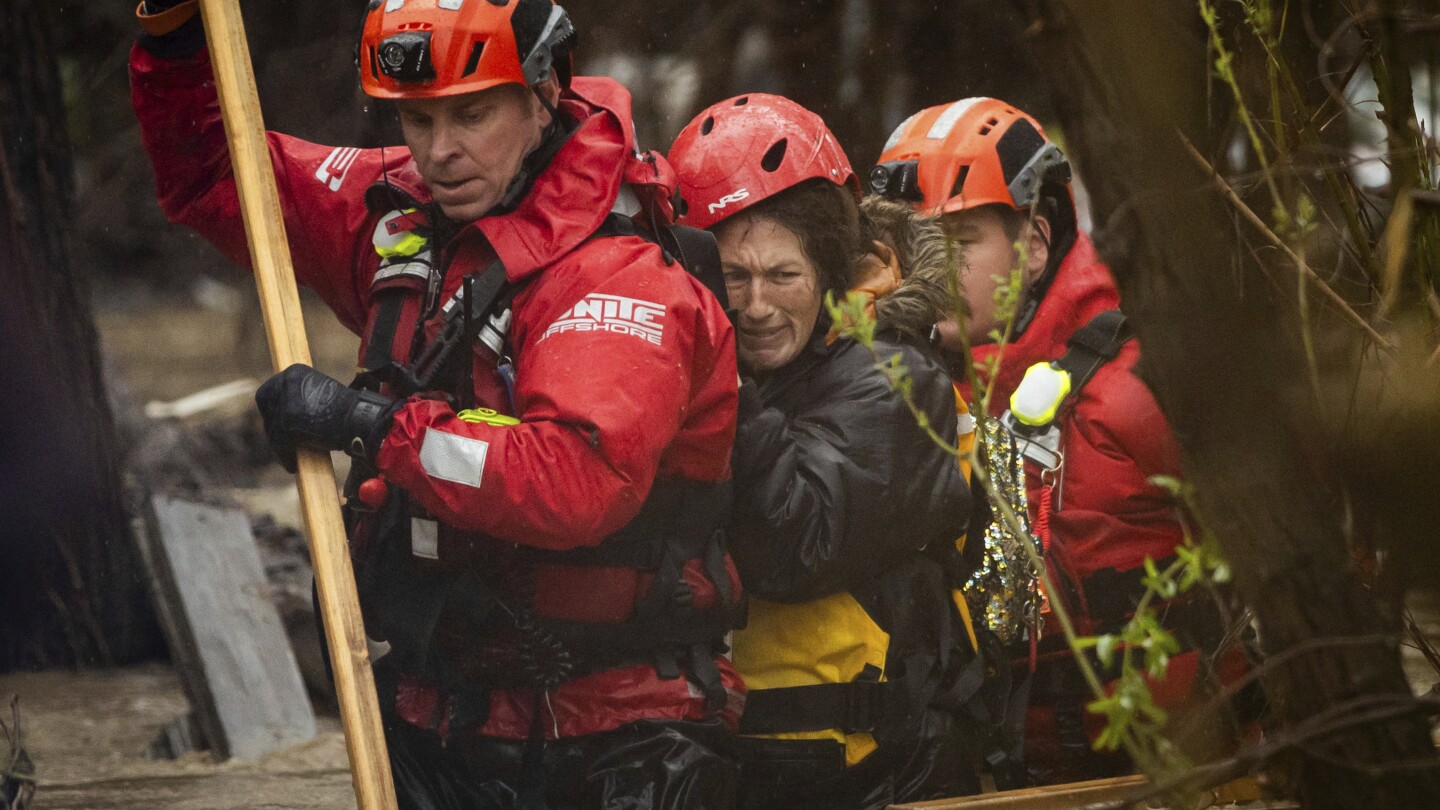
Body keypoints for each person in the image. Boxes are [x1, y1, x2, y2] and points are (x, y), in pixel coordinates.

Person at [131, 1, 745, 806]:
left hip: (621, 741)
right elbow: (221, 170)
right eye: (417, 119)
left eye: (473, 113)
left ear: (542, 94)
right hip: (436, 720)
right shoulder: (402, 214)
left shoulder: (621, 274)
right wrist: (173, 32)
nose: (441, 151)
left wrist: (368, 425)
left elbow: (571, 480)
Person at [873, 98, 1254, 783]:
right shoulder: (890, 389)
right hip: (1007, 779)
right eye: (913, 249)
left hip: (1192, 771)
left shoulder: (1142, 380)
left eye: (960, 246)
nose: (931, 274)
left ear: (1037, 242)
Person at [668, 94, 979, 809]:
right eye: (731, 278)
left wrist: (718, 377)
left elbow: (795, 542)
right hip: (736, 767)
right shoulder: (716, 370)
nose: (753, 306)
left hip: (880, 776)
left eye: (783, 276)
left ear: (832, 272)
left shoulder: (897, 379)